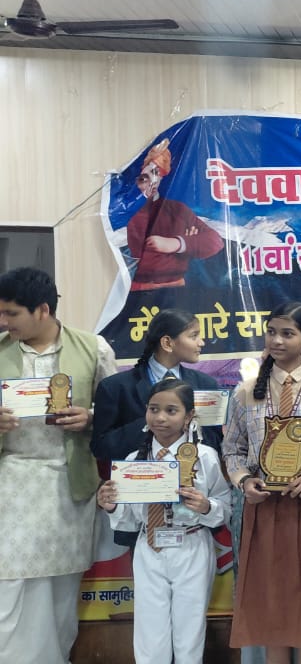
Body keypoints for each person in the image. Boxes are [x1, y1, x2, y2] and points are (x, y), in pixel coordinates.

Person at [222, 301, 301, 664]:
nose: (277, 341)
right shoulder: (246, 392)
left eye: (287, 334)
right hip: (266, 511)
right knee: (273, 605)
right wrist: (245, 480)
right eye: (271, 332)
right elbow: (232, 449)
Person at [0, 267, 117, 664]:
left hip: (70, 487)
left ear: (43, 310)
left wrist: (91, 417)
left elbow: (119, 414)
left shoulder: (93, 349)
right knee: (10, 583)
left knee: (60, 590)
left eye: (12, 313)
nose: (4, 321)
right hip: (11, 482)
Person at [96, 379, 231, 664]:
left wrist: (206, 506)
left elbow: (225, 506)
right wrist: (111, 506)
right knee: (149, 632)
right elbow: (129, 520)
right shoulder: (133, 461)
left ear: (189, 416)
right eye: (153, 409)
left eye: (171, 410)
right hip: (149, 547)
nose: (160, 418)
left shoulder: (204, 457)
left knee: (189, 631)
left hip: (191, 544)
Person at [92, 308, 222, 468]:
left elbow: (217, 441)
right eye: (193, 336)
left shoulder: (206, 385)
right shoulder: (115, 387)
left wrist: (189, 429)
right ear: (167, 343)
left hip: (194, 477)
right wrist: (152, 423)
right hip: (140, 478)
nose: (201, 342)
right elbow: (101, 447)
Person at [127, 138, 225, 291]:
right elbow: (144, 262)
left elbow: (215, 242)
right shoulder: (130, 213)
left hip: (178, 291)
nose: (149, 182)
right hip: (140, 292)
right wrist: (190, 247)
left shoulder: (176, 209)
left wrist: (177, 243)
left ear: (162, 178)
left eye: (156, 174)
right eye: (143, 178)